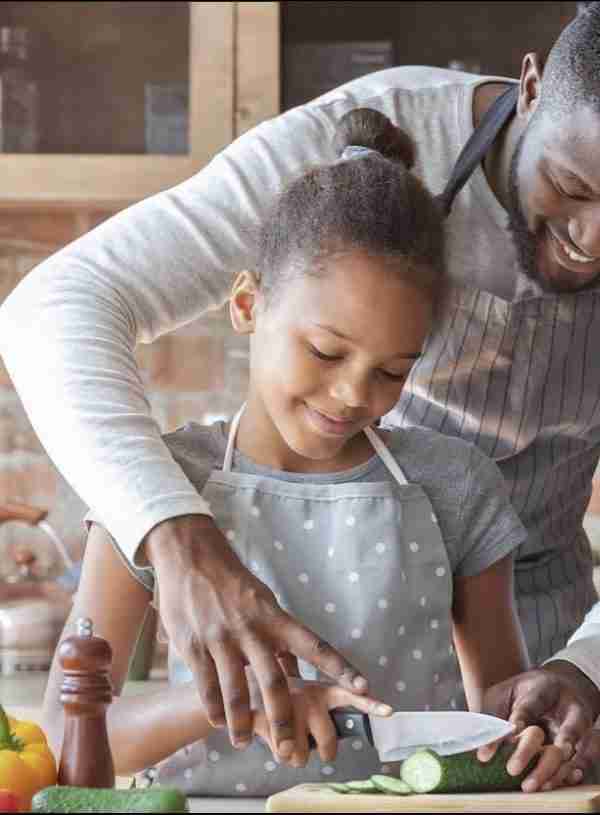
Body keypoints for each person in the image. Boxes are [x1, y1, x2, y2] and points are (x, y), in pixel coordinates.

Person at [3, 2, 600, 789]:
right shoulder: (362, 148)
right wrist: (175, 534)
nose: (594, 240)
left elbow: (492, 710)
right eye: (571, 185)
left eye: (396, 368)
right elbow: (56, 304)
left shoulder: (454, 488)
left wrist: (583, 670)